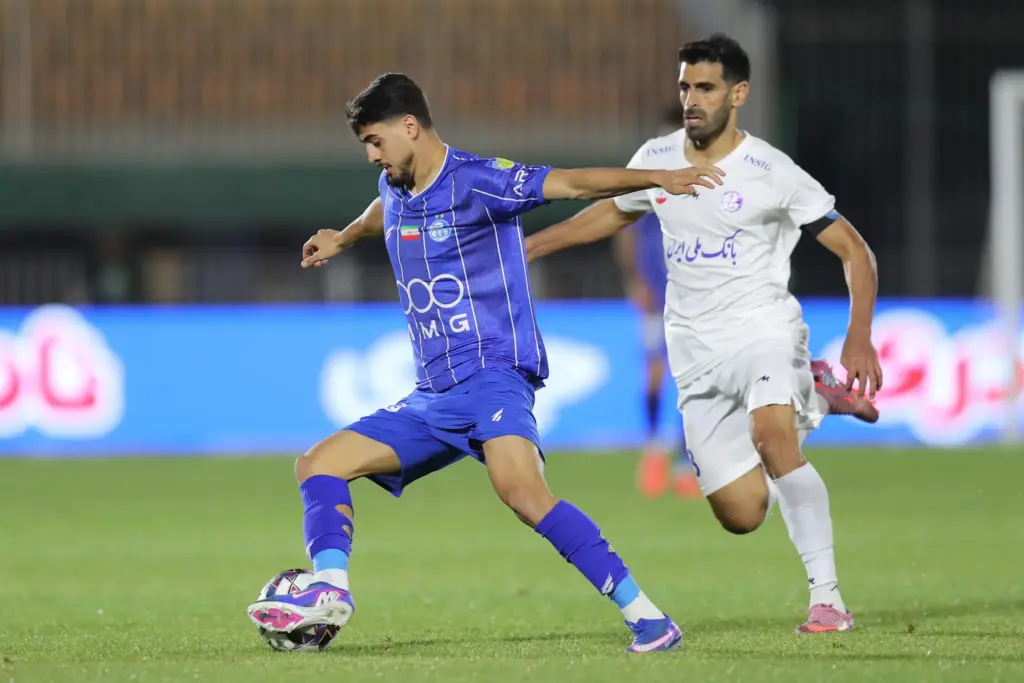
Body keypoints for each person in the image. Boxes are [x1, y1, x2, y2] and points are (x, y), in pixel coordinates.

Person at [246, 73, 725, 653]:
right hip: (432, 395)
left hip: (493, 376)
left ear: (409, 126)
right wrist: (344, 237)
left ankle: (649, 618)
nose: (372, 155)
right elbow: (381, 213)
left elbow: (574, 183)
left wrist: (659, 178)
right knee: (318, 464)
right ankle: (331, 589)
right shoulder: (394, 186)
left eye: (375, 141)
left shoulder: (479, 181)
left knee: (523, 494)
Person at [525, 34, 882, 634]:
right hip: (694, 352)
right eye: (685, 86)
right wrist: (532, 247)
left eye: (706, 88)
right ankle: (817, 394)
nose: (692, 99)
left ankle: (828, 599)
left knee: (774, 439)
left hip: (763, 331)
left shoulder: (771, 171)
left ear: (738, 94)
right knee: (742, 513)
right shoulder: (658, 158)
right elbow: (612, 212)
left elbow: (854, 249)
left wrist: (859, 334)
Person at [612, 105, 702, 500]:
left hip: (691, 296)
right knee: (654, 371)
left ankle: (685, 461)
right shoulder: (648, 178)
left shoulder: (701, 181)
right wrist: (635, 280)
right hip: (655, 293)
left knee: (690, 377)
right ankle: (652, 448)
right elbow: (625, 230)